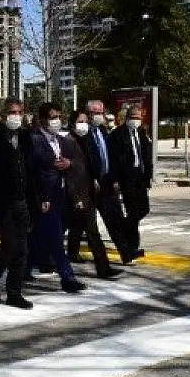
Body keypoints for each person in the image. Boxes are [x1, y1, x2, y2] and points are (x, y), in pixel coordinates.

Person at [0, 99, 38, 310]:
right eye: (12, 112)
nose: (16, 116)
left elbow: (30, 170)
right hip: (1, 202)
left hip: (22, 201)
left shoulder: (25, 137)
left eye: (20, 112)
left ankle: (14, 292)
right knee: (10, 243)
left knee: (22, 248)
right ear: (4, 115)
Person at [27, 103, 87, 293]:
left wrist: (69, 163)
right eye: (53, 117)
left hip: (60, 195)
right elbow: (35, 171)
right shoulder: (34, 140)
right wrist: (42, 197)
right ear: (43, 119)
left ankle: (24, 268)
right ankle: (67, 278)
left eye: (59, 116)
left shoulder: (61, 141)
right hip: (44, 198)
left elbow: (78, 161)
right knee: (55, 237)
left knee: (37, 237)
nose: (57, 121)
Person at [66, 109, 122, 280]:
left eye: (85, 121)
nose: (83, 124)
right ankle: (35, 261)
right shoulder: (67, 142)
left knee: (91, 231)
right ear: (72, 123)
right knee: (56, 230)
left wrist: (95, 180)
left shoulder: (86, 140)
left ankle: (103, 267)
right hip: (74, 196)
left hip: (88, 192)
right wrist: (75, 198)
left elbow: (90, 165)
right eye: (80, 121)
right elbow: (69, 174)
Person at [72, 100, 129, 263]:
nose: (98, 116)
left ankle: (126, 253)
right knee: (82, 222)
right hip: (90, 184)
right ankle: (73, 252)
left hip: (106, 182)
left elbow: (109, 157)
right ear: (88, 114)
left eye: (100, 112)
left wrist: (114, 179)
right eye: (94, 113)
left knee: (114, 219)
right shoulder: (82, 134)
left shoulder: (103, 131)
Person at [107, 107, 153, 263]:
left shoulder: (141, 133)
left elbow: (147, 157)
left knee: (144, 209)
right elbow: (113, 160)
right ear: (127, 117)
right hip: (126, 178)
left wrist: (148, 177)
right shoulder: (117, 134)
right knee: (133, 211)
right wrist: (115, 180)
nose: (136, 120)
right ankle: (132, 247)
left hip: (140, 176)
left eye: (138, 117)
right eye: (133, 116)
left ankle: (124, 229)